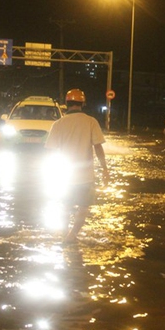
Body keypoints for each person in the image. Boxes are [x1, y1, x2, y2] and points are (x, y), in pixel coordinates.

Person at [45, 88, 109, 243]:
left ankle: (64, 233)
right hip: (85, 176)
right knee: (84, 207)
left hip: (64, 175)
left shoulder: (58, 124)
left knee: (65, 206)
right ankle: (72, 235)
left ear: (67, 103)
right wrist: (105, 170)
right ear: (83, 103)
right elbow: (98, 147)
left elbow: (50, 151)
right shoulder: (91, 121)